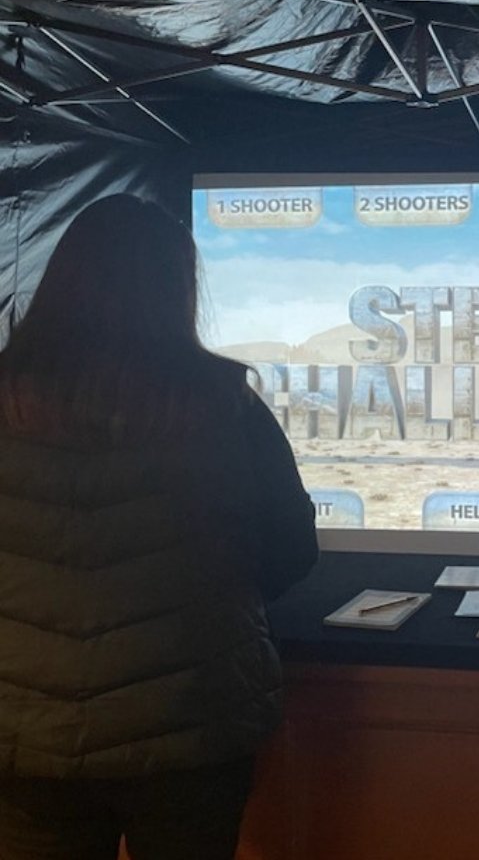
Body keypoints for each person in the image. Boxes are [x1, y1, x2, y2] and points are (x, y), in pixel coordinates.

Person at [0, 194, 319, 860]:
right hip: (190, 722)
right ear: (177, 287)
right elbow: (291, 547)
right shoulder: (223, 402)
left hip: (22, 734)